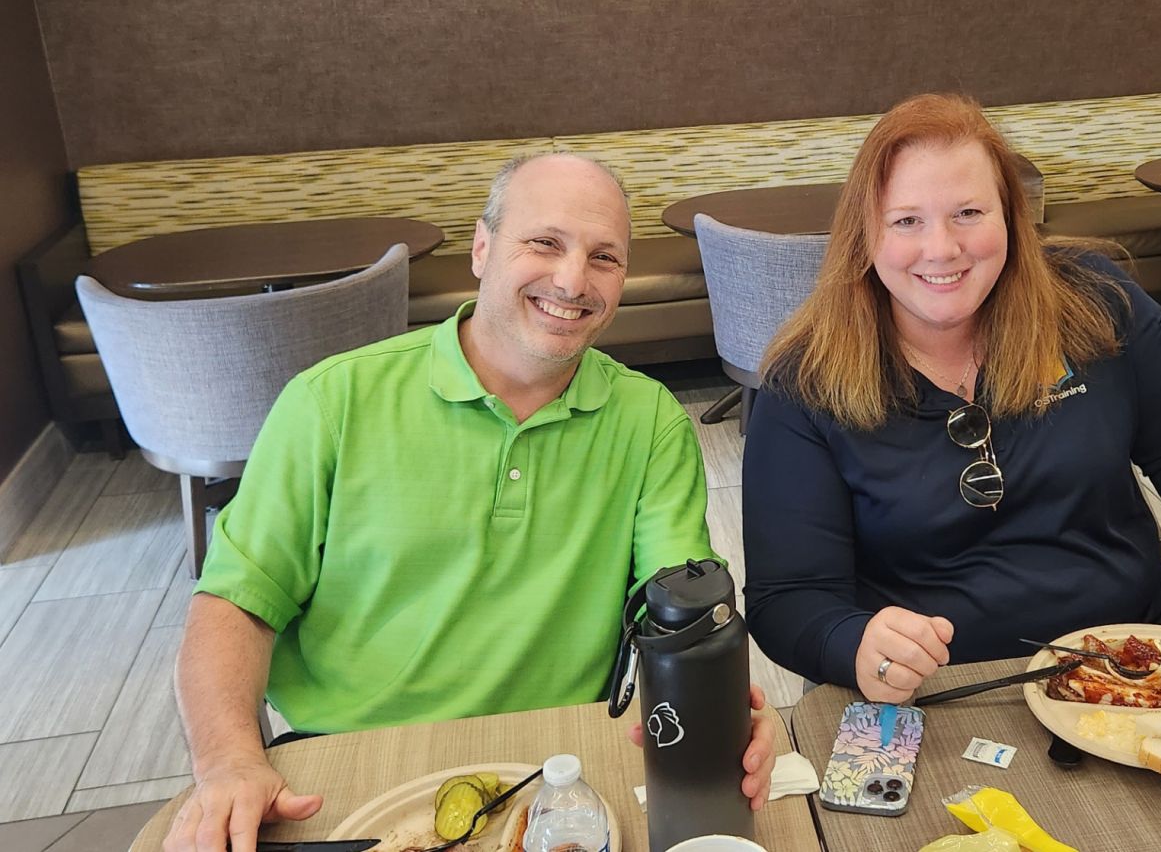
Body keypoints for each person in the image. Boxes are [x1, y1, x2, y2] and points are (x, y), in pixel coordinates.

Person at [164, 154, 775, 852]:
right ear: (482, 249)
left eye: (604, 257)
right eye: (544, 243)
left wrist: (720, 705)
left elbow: (683, 611)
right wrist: (229, 761)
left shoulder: (650, 421)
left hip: (556, 769)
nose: (572, 280)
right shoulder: (331, 403)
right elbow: (235, 603)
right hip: (349, 763)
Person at [741, 94, 1161, 705]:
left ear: (1011, 215)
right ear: (864, 233)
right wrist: (852, 642)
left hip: (1136, 645)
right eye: (906, 221)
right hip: (942, 684)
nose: (942, 248)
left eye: (968, 212)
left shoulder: (1097, 303)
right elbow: (789, 599)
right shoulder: (806, 382)